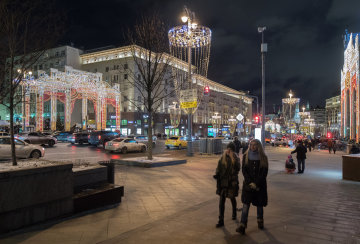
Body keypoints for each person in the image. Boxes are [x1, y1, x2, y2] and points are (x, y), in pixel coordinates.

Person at [236, 139, 268, 235]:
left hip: (260, 186)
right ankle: (242, 225)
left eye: (255, 145)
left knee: (259, 205)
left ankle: (260, 220)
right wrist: (250, 182)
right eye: (251, 145)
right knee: (245, 206)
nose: (253, 147)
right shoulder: (246, 156)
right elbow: (244, 171)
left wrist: (256, 183)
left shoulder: (263, 157)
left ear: (259, 146)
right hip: (248, 186)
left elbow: (264, 173)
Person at [214, 142, 241, 228]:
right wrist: (217, 174)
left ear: (232, 150)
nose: (228, 150)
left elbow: (238, 168)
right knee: (221, 200)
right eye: (227, 148)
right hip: (223, 182)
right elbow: (219, 167)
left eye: (230, 149)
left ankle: (234, 213)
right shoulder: (223, 157)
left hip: (231, 182)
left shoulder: (236, 157)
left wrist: (233, 158)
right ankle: (221, 220)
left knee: (232, 198)